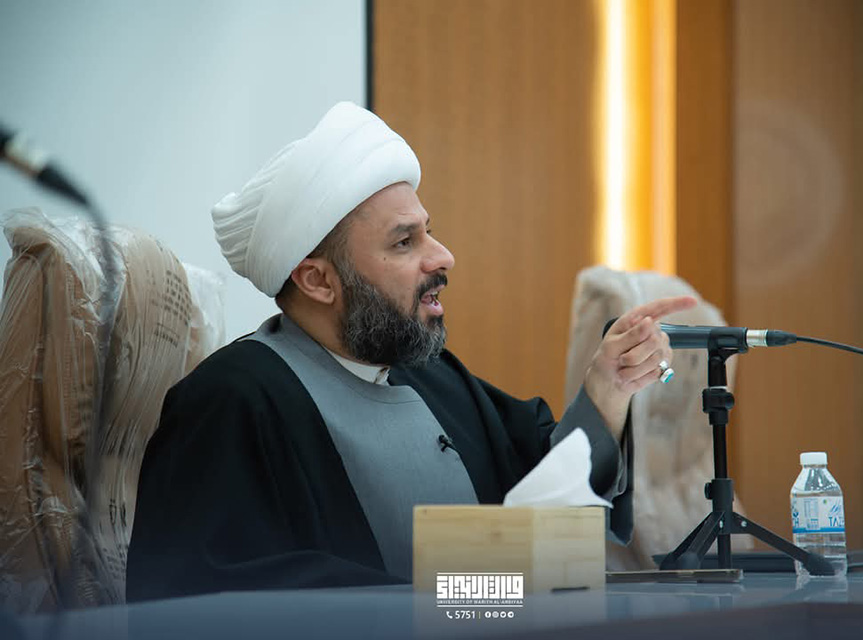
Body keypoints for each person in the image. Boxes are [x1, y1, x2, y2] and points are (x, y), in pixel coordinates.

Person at [126, 102, 694, 602]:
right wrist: (443, 593)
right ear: (318, 280)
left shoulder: (430, 375)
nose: (442, 257)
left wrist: (607, 389)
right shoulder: (231, 401)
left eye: (428, 231)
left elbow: (545, 497)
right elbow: (208, 598)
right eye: (405, 241)